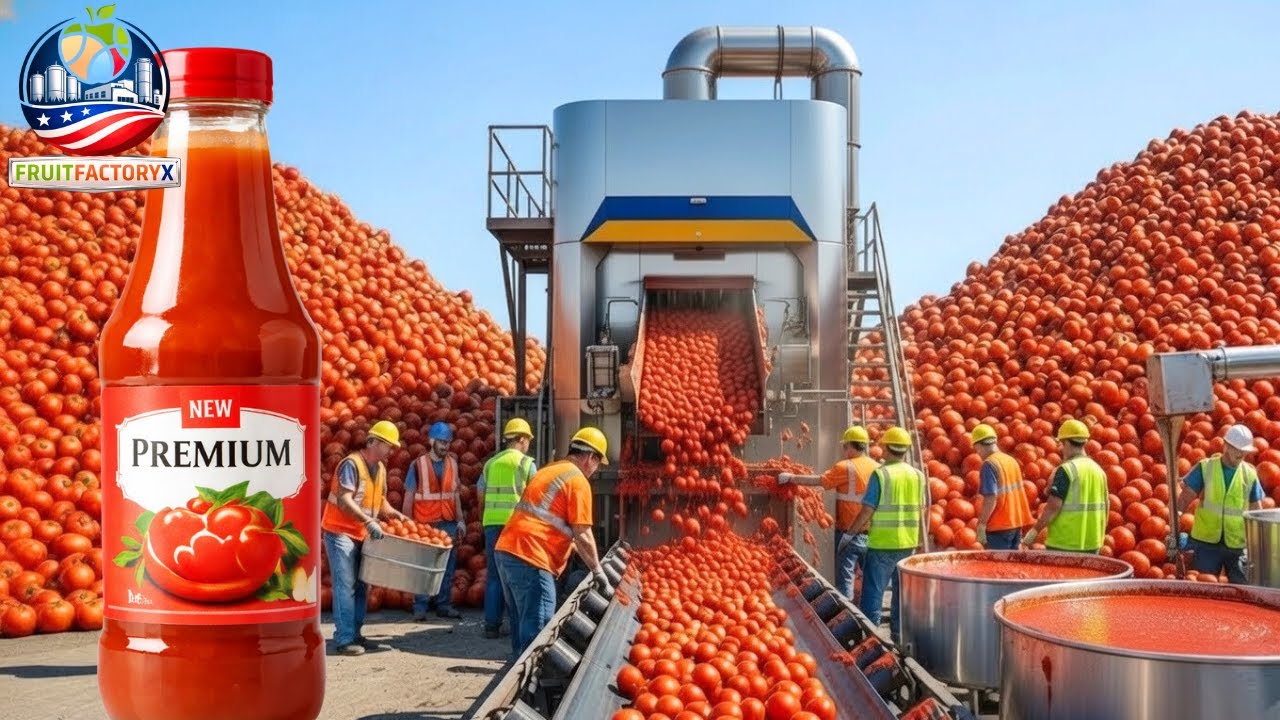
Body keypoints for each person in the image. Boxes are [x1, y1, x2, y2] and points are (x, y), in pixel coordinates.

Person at [494, 427, 611, 658]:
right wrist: (598, 572)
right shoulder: (577, 480)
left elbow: (553, 522)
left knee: (521, 625)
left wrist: (576, 550)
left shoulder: (551, 469)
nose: (596, 471)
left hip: (508, 551)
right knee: (539, 630)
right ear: (590, 457)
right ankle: (530, 686)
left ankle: (517, 678)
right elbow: (583, 532)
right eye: (598, 464)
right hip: (531, 557)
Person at [320, 420, 412, 656]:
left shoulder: (380, 469)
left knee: (362, 586)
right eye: (388, 446)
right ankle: (344, 639)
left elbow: (380, 502)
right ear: (374, 442)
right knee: (346, 585)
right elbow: (345, 500)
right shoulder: (352, 464)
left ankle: (356, 634)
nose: (391, 451)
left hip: (361, 533)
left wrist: (395, 514)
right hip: (340, 531)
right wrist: (369, 521)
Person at [777, 425, 880, 600]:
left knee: (845, 580)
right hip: (874, 534)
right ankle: (871, 620)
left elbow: (821, 481)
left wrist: (791, 478)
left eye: (845, 446)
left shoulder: (846, 467)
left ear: (848, 446)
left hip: (849, 532)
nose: (844, 450)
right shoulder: (877, 467)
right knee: (872, 582)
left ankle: (848, 621)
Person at [850, 426, 928, 644]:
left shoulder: (881, 474)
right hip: (907, 544)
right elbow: (922, 509)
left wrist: (851, 533)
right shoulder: (917, 475)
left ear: (886, 448)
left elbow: (867, 509)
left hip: (883, 544)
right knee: (901, 596)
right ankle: (898, 638)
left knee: (873, 594)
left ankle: (870, 640)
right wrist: (921, 539)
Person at [1175, 424, 1265, 584]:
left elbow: (1257, 511)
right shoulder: (1206, 467)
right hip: (1205, 543)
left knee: (1243, 589)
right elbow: (1184, 499)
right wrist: (1174, 522)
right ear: (1226, 446)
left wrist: (1260, 544)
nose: (1242, 453)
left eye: (1244, 450)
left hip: (1236, 545)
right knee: (1204, 586)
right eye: (1237, 448)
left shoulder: (1250, 474)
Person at [477, 418, 538, 638]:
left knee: (494, 576)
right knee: (517, 578)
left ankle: (491, 625)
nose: (528, 444)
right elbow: (536, 496)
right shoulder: (526, 463)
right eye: (528, 440)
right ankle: (517, 625)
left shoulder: (491, 463)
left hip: (492, 524)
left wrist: (483, 517)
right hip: (516, 527)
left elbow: (480, 494)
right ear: (521, 439)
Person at [403, 421, 465, 620]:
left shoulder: (453, 464)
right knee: (423, 567)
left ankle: (443, 605)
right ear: (431, 441)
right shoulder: (418, 465)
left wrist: (461, 521)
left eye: (447, 442)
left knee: (447, 566)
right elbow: (409, 496)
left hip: (448, 521)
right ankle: (420, 606)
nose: (445, 446)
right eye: (441, 442)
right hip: (425, 523)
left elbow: (455, 495)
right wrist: (407, 524)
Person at [1021, 419, 1107, 553]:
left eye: (1062, 443)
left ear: (1066, 442)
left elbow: (1053, 507)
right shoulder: (1098, 470)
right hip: (1092, 543)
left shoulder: (1067, 470)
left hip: (1065, 543)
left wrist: (1032, 534)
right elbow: (1106, 506)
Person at [970, 424, 1033, 550]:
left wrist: (982, 524)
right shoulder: (1011, 460)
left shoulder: (989, 464)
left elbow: (991, 498)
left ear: (978, 446)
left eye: (976, 450)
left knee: (997, 567)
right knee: (1012, 566)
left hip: (999, 527)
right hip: (1016, 523)